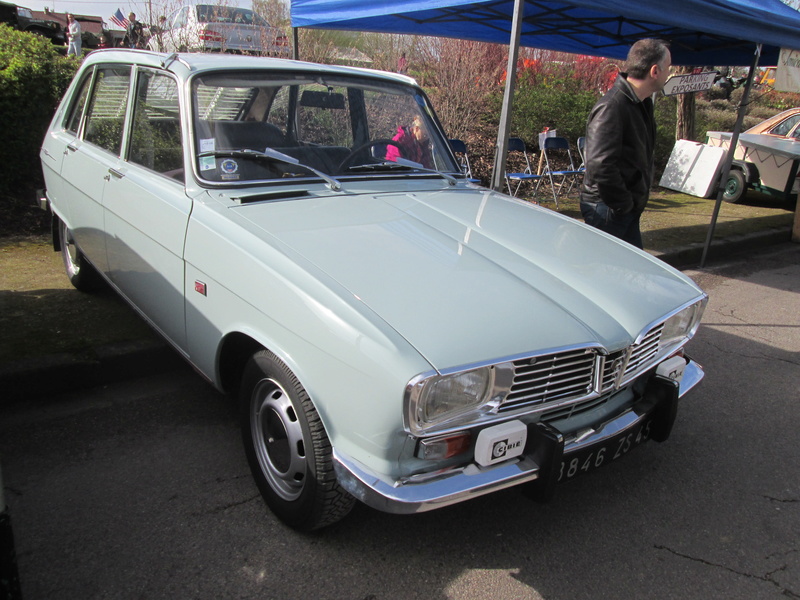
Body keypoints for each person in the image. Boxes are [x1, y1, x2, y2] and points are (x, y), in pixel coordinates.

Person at [579, 38, 671, 249]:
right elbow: (600, 165)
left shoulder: (641, 103)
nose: (669, 74)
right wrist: (624, 204)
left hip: (622, 207)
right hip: (608, 208)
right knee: (605, 273)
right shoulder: (613, 106)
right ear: (655, 71)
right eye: (668, 68)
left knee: (626, 273)